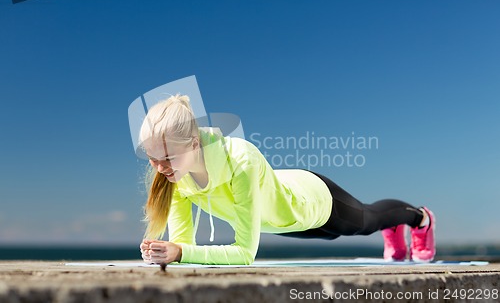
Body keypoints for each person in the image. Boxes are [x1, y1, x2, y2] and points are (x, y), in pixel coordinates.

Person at [138, 94, 436, 265]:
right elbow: (182, 247)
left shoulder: (241, 159)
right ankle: (393, 224)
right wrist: (166, 252)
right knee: (332, 236)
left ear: (193, 143)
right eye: (152, 158)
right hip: (281, 223)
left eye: (167, 157)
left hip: (312, 200)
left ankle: (419, 219)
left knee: (365, 222)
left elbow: (245, 253)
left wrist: (179, 252)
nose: (160, 167)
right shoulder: (177, 177)